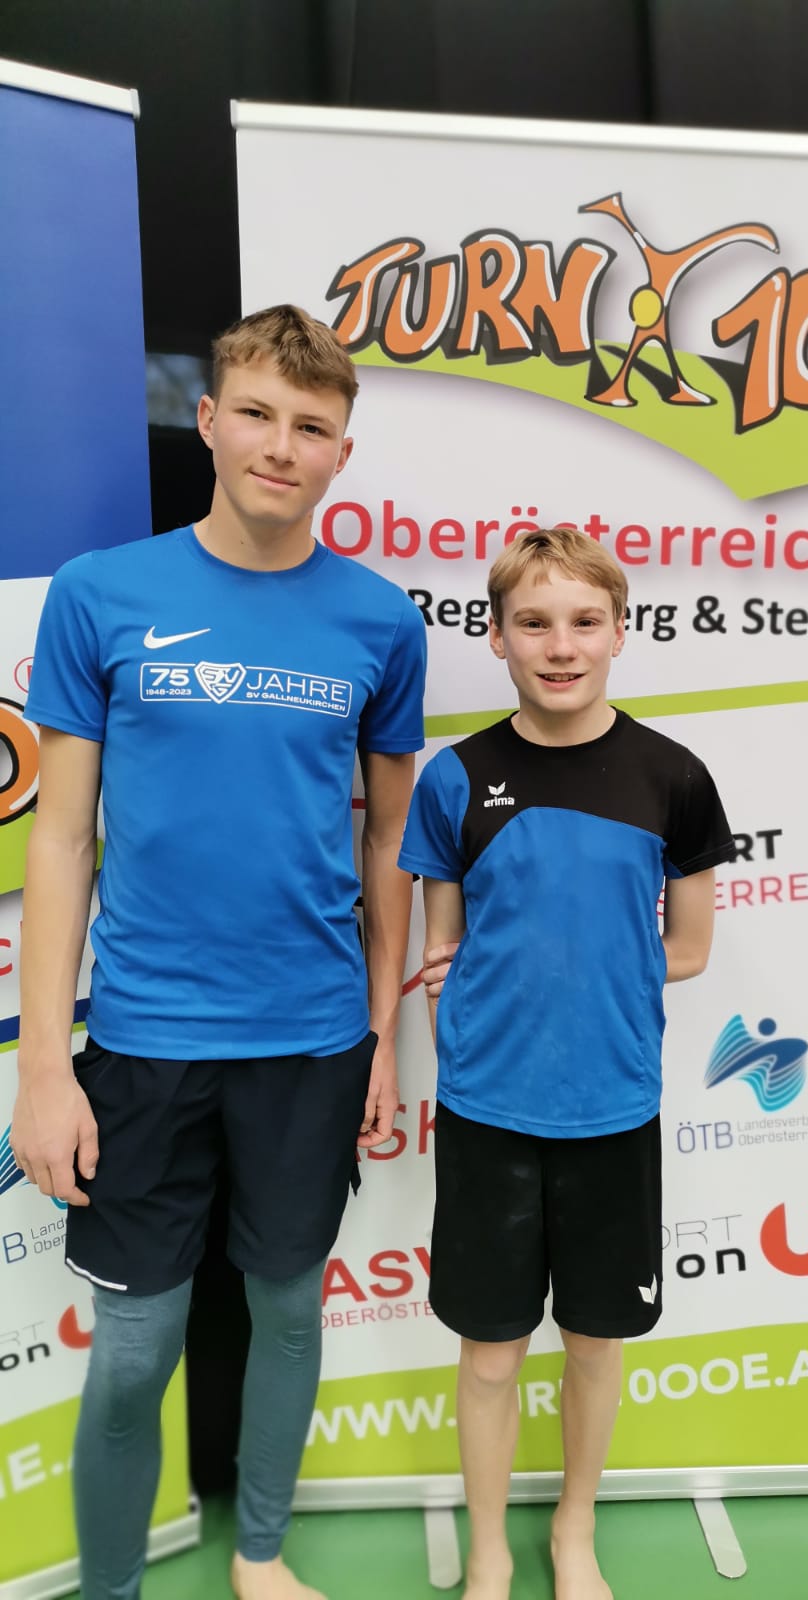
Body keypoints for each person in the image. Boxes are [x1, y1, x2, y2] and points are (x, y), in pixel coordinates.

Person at [11, 305, 427, 1600]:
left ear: (342, 451)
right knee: (135, 1349)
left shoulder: (380, 621)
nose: (280, 446)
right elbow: (60, 842)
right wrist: (42, 1066)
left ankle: (259, 1555)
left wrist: (378, 1036)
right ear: (207, 419)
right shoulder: (101, 595)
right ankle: (112, 1590)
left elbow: (389, 844)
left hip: (310, 1042)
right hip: (143, 1043)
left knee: (289, 1311)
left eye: (312, 426)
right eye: (256, 414)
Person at [399, 527, 736, 1600]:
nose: (560, 645)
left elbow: (688, 947)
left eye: (585, 621)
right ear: (496, 636)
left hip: (613, 1109)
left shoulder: (673, 777)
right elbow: (442, 948)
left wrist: (594, 979)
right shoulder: (456, 779)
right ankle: (489, 1549)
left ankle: (573, 1530)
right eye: (534, 622)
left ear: (620, 632)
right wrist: (488, 1005)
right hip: (489, 1113)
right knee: (491, 1354)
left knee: (595, 1342)